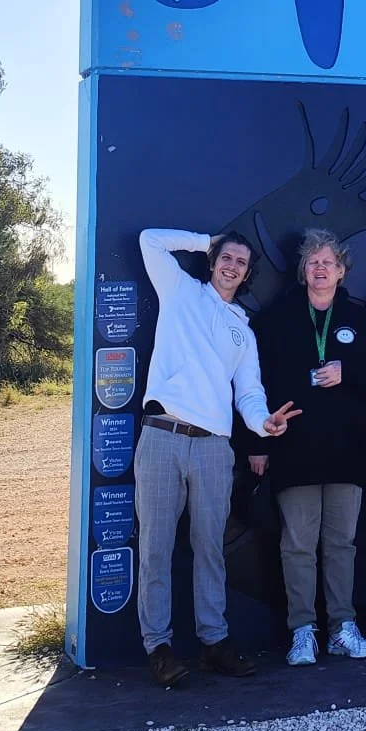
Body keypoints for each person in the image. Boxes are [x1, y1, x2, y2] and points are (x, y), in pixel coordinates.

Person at [133, 227, 300, 688]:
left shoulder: (242, 328)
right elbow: (149, 240)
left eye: (241, 262)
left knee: (210, 547)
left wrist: (264, 422)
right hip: (163, 434)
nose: (232, 266)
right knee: (155, 547)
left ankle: (214, 643)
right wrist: (206, 238)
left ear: (247, 274)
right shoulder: (180, 289)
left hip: (213, 445)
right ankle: (158, 648)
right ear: (213, 261)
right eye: (226, 257)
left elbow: (248, 392)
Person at [245, 228, 366, 667]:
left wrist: (348, 373)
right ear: (303, 270)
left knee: (341, 544)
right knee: (297, 545)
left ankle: (342, 628)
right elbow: (252, 384)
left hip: (348, 451)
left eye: (329, 262)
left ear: (342, 271)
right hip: (294, 449)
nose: (321, 268)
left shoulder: (359, 318)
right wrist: (257, 442)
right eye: (313, 262)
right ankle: (302, 631)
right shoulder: (276, 318)